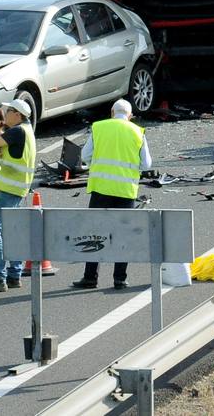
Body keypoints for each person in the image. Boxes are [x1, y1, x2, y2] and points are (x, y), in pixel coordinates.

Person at [71, 99, 152, 290]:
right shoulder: (138, 132)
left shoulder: (99, 127)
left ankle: (90, 277)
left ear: (112, 112)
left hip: (101, 189)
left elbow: (85, 156)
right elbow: (146, 164)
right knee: (122, 235)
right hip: (125, 192)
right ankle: (120, 279)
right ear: (130, 115)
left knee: (95, 233)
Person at [0, 99, 36, 293]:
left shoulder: (16, 131)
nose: (5, 114)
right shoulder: (27, 131)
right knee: (11, 231)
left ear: (18, 115)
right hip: (17, 189)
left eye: (9, 110)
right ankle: (14, 275)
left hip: (5, 188)